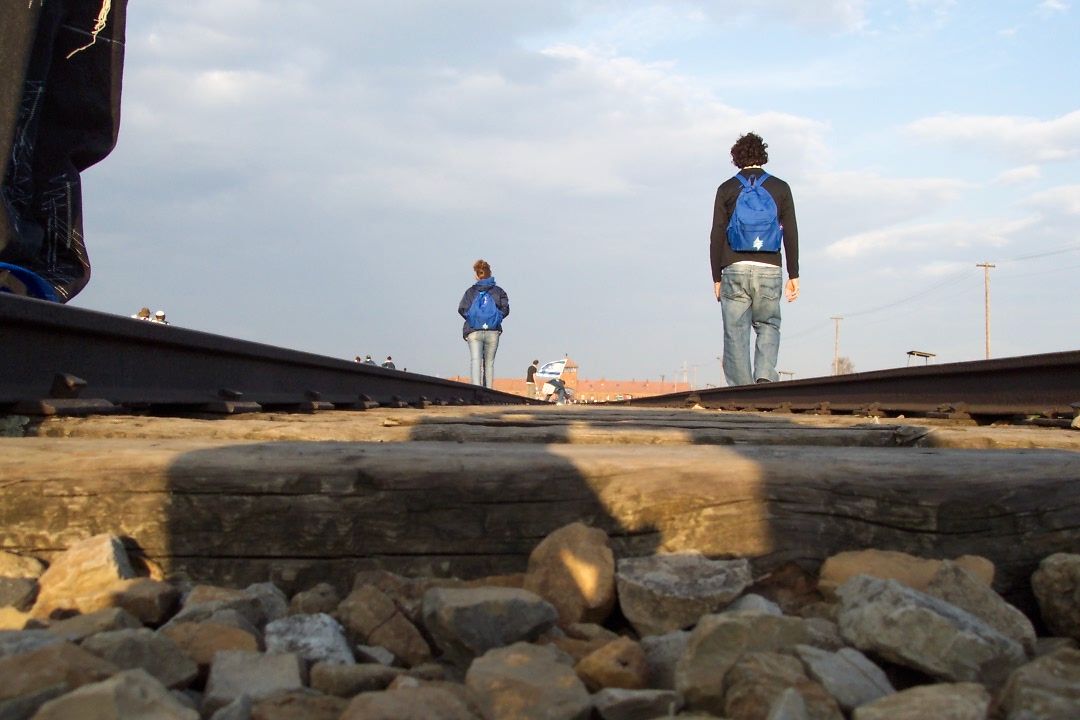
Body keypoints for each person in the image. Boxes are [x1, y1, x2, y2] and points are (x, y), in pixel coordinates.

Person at [710, 132, 799, 386]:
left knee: (735, 332)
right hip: (769, 268)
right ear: (763, 155)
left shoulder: (726, 189)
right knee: (768, 324)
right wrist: (794, 274)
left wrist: (716, 276)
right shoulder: (781, 188)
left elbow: (716, 233)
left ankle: (741, 391)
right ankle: (763, 377)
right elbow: (791, 231)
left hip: (734, 269)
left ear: (736, 158)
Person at [457, 259, 509, 388]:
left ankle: (476, 390)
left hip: (474, 331)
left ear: (476, 275)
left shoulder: (470, 292)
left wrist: (473, 320)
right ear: (490, 273)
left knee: (475, 361)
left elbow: (462, 308)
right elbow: (505, 309)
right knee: (489, 363)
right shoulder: (499, 291)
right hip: (493, 331)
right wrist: (496, 319)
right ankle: (488, 391)